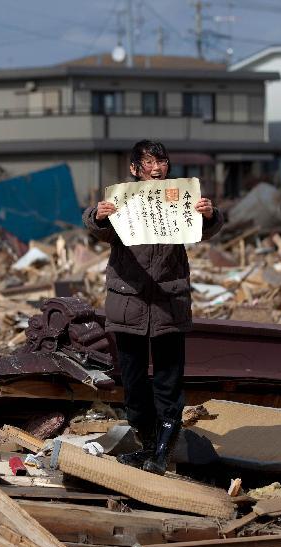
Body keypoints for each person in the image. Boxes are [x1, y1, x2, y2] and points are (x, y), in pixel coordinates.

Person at [82, 140, 224, 474]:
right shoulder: (123, 200)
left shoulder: (180, 196)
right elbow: (96, 227)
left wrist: (210, 214)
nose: (157, 169)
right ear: (134, 169)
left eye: (162, 163)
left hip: (168, 303)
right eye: (148, 164)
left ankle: (162, 452)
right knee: (132, 380)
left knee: (167, 381)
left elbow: (206, 230)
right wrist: (97, 216)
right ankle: (146, 444)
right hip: (128, 300)